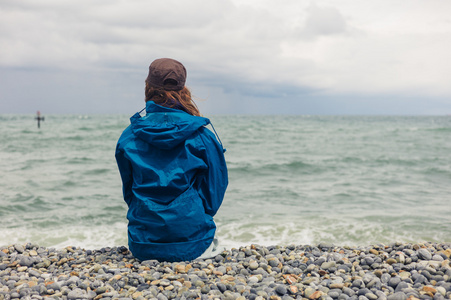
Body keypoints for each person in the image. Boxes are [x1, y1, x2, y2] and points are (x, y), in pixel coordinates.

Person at [115, 58, 228, 262]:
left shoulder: (129, 135)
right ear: (184, 90)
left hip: (142, 244)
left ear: (148, 88)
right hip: (193, 243)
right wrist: (192, 215)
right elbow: (214, 193)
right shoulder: (203, 136)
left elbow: (129, 192)